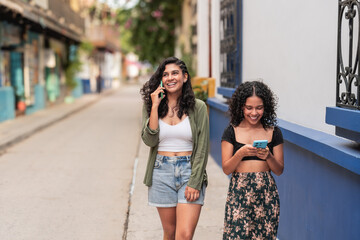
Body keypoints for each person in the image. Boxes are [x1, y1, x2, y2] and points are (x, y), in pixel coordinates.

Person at [140, 57, 209, 240]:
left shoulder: (199, 107)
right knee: (169, 233)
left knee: (184, 235)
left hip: (189, 170)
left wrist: (195, 181)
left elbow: (202, 147)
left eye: (175, 73)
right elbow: (149, 140)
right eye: (165, 74)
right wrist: (155, 106)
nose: (170, 78)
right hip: (161, 171)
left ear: (185, 77)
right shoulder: (150, 106)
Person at [221, 81, 284, 239]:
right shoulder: (231, 132)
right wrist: (240, 154)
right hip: (239, 194)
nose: (254, 112)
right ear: (241, 107)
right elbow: (227, 169)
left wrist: (268, 156)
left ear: (266, 107)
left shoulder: (273, 132)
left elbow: (279, 170)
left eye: (259, 107)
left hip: (266, 195)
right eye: (249, 107)